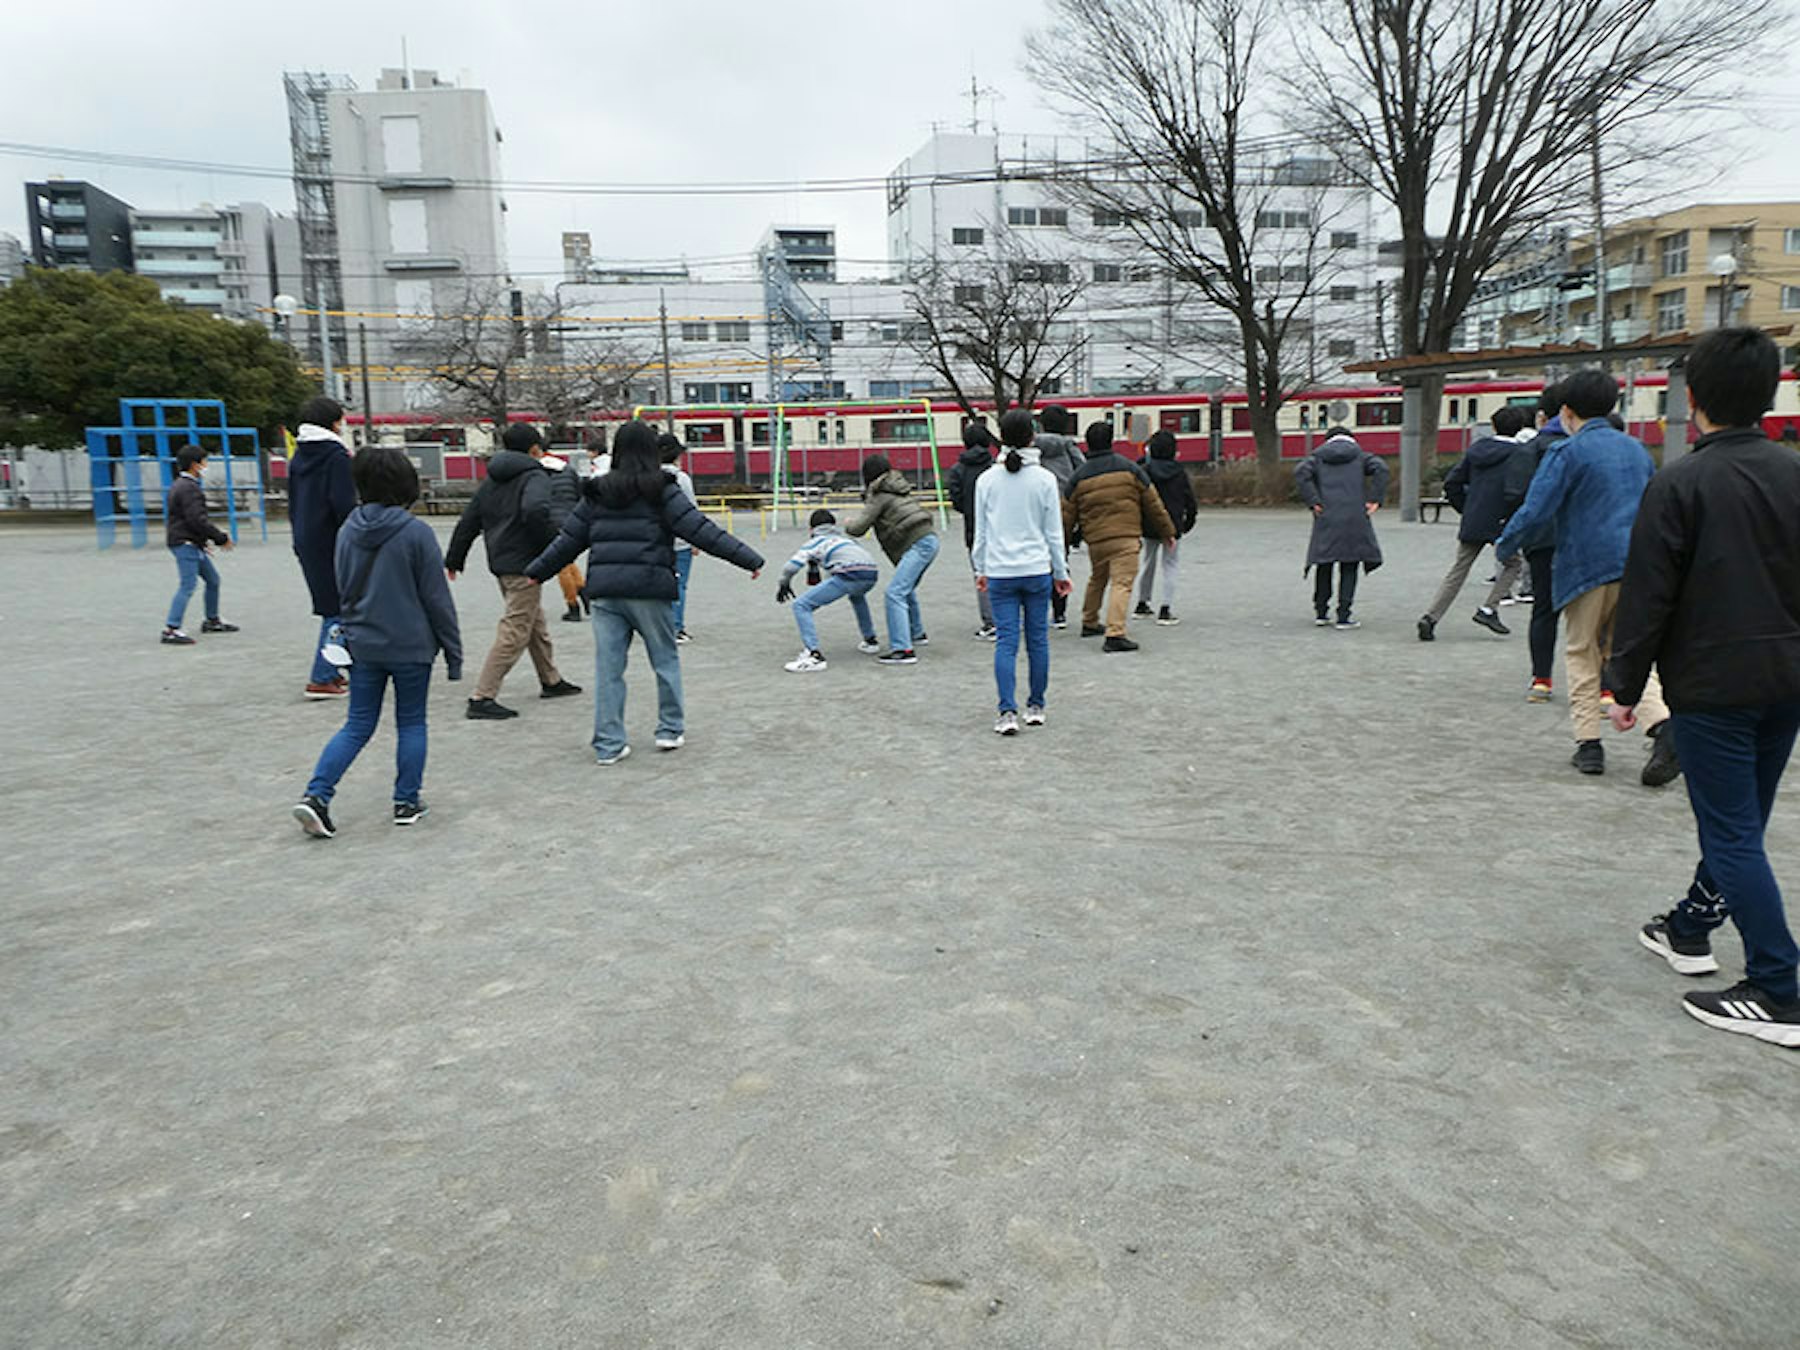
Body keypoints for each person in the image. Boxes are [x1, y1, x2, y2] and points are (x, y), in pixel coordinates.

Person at [1608, 328, 1800, 1045]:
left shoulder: (1681, 482)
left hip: (1715, 684)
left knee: (1731, 833)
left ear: (1693, 399)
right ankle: (1688, 929)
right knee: (1741, 822)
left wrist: (1624, 687)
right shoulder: (1794, 474)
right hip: (1787, 679)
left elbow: (1648, 597)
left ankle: (1780, 986)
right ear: (1771, 392)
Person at [523, 419, 764, 764]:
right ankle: (669, 729)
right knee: (664, 660)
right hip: (650, 589)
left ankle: (608, 744)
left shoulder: (596, 491)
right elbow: (701, 530)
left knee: (609, 670)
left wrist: (536, 572)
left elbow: (569, 541)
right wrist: (748, 559)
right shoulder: (663, 489)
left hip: (606, 593)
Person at [1494, 369, 1678, 781]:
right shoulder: (1637, 452)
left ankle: (1589, 745)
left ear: (1567, 411)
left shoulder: (1566, 452)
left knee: (1581, 651)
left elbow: (1536, 510)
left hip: (1585, 566)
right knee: (1626, 653)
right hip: (1634, 567)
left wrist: (1505, 544)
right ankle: (1662, 725)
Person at [292, 447, 462, 839]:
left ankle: (317, 794)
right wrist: (453, 652)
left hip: (364, 643)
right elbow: (436, 598)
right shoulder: (417, 533)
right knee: (412, 722)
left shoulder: (348, 530)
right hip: (411, 645)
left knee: (357, 724)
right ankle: (406, 800)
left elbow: (343, 589)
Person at [445, 421, 582, 720]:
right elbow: (535, 511)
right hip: (525, 564)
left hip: (501, 561)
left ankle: (551, 679)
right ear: (535, 449)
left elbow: (469, 520)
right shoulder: (535, 475)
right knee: (515, 630)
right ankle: (482, 696)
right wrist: (553, 548)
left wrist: (454, 558)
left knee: (534, 623)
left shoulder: (492, 479)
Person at [974, 409, 1072, 733]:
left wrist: (981, 568)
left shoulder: (986, 480)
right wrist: (1061, 572)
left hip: (1001, 571)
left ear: (1001, 437)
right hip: (1036, 570)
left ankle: (1006, 712)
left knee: (1006, 642)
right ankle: (1036, 705)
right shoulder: (1044, 479)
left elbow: (981, 533)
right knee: (1038, 641)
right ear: (1033, 436)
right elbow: (1054, 533)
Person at [1417, 404, 1533, 641]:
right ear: (1520, 429)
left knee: (1458, 570)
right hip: (1502, 520)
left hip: (1475, 517)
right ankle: (1489, 608)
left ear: (1493, 426)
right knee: (1513, 564)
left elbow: (1452, 484)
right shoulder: (1520, 455)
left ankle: (1431, 616)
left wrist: (1466, 508)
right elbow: (1519, 491)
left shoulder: (1476, 450)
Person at [1063, 422, 1176, 652]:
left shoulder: (1079, 476)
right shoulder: (1130, 469)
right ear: (1110, 442)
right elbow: (1153, 503)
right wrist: (1168, 531)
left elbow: (1067, 513)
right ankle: (1115, 633)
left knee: (1098, 578)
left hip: (1095, 539)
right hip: (1125, 536)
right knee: (1121, 583)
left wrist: (1063, 543)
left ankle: (1090, 620)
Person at [289, 396, 356, 699]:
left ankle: (338, 667)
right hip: (332, 538)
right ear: (332, 422)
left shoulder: (299, 456)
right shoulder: (335, 456)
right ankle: (322, 675)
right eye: (341, 420)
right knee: (339, 607)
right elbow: (343, 503)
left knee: (334, 603)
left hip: (306, 537)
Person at [844, 453, 940, 665]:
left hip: (917, 543)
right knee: (905, 589)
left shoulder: (879, 495)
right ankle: (917, 633)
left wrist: (848, 523)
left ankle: (903, 649)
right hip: (928, 538)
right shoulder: (898, 487)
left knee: (894, 593)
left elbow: (859, 528)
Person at [1294, 426, 1388, 629]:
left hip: (1326, 514)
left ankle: (1321, 612)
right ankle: (1344, 615)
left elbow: (1301, 472)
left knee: (1324, 563)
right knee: (1349, 565)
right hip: (1355, 516)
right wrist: (1374, 499)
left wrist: (1313, 500)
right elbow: (1381, 468)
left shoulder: (1318, 457)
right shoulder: (1361, 457)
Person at [1513, 385, 1569, 701]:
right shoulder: (1593, 447)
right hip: (1585, 539)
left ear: (1542, 416)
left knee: (1544, 610)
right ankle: (1603, 687)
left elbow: (1517, 495)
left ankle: (1542, 680)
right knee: (1591, 616)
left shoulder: (1532, 449)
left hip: (1543, 539)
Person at [775, 509, 882, 672]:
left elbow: (791, 567)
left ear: (811, 529)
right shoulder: (846, 539)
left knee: (801, 605)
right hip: (871, 573)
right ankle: (870, 640)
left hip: (848, 574)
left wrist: (784, 583)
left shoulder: (815, 542)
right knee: (857, 596)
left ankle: (814, 655)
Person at [160, 444, 237, 645]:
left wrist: (201, 542)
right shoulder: (189, 488)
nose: (206, 466)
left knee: (213, 580)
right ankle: (171, 628)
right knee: (188, 584)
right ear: (195, 465)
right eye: (204, 462)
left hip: (190, 542)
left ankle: (212, 620)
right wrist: (220, 537)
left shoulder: (180, 485)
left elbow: (189, 520)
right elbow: (197, 520)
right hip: (185, 543)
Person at [1132, 429, 1198, 626]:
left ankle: (1142, 603)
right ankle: (1166, 608)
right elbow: (1190, 500)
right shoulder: (1179, 472)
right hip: (1173, 525)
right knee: (1170, 565)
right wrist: (1189, 521)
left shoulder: (1144, 470)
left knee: (1147, 562)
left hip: (1149, 523)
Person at [1035, 405, 1086, 629]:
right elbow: (1082, 472)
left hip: (1035, 506)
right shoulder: (1069, 446)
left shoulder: (1032, 446)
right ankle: (1059, 613)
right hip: (1063, 506)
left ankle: (1036, 610)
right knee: (1060, 558)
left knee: (1036, 559)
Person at [945, 422, 998, 638]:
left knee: (981, 574)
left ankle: (990, 621)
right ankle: (1008, 617)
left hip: (973, 527)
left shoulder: (958, 469)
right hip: (999, 525)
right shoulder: (995, 466)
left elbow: (956, 499)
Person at [539, 441, 587, 623]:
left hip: (552, 520)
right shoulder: (567, 468)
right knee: (568, 560)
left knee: (560, 565)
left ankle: (572, 604)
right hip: (571, 518)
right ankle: (583, 590)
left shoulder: (539, 472)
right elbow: (578, 493)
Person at [658, 433, 700, 644]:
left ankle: (659, 626)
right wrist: (696, 540)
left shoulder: (648, 476)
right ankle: (676, 628)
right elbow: (691, 511)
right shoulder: (681, 478)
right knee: (679, 584)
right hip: (680, 540)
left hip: (655, 540)